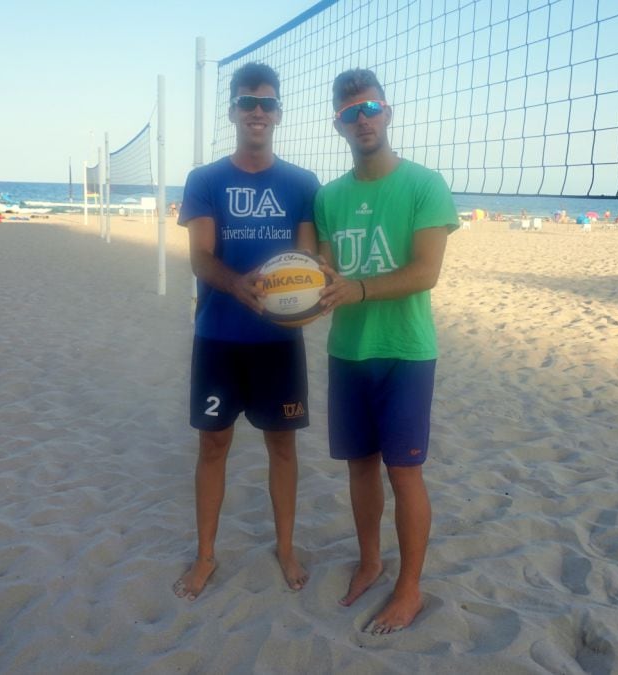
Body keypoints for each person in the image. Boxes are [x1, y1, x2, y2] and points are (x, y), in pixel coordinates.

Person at [315, 69, 459, 634]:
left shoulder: (425, 184)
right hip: (347, 350)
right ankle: (371, 561)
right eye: (351, 113)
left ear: (387, 112)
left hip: (405, 351)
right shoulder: (330, 196)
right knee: (360, 469)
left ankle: (410, 587)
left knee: (405, 473)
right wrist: (297, 295)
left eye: (370, 108)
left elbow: (427, 272)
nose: (363, 119)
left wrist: (359, 288)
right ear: (339, 124)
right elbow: (325, 275)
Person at [173, 62, 319, 600]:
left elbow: (305, 259)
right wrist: (239, 286)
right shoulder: (206, 180)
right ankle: (206, 556)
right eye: (247, 102)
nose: (258, 111)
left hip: (279, 342)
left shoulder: (302, 183)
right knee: (214, 446)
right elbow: (200, 259)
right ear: (233, 111)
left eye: (268, 103)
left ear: (279, 114)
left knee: (282, 448)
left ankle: (285, 547)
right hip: (219, 337)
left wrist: (313, 291)